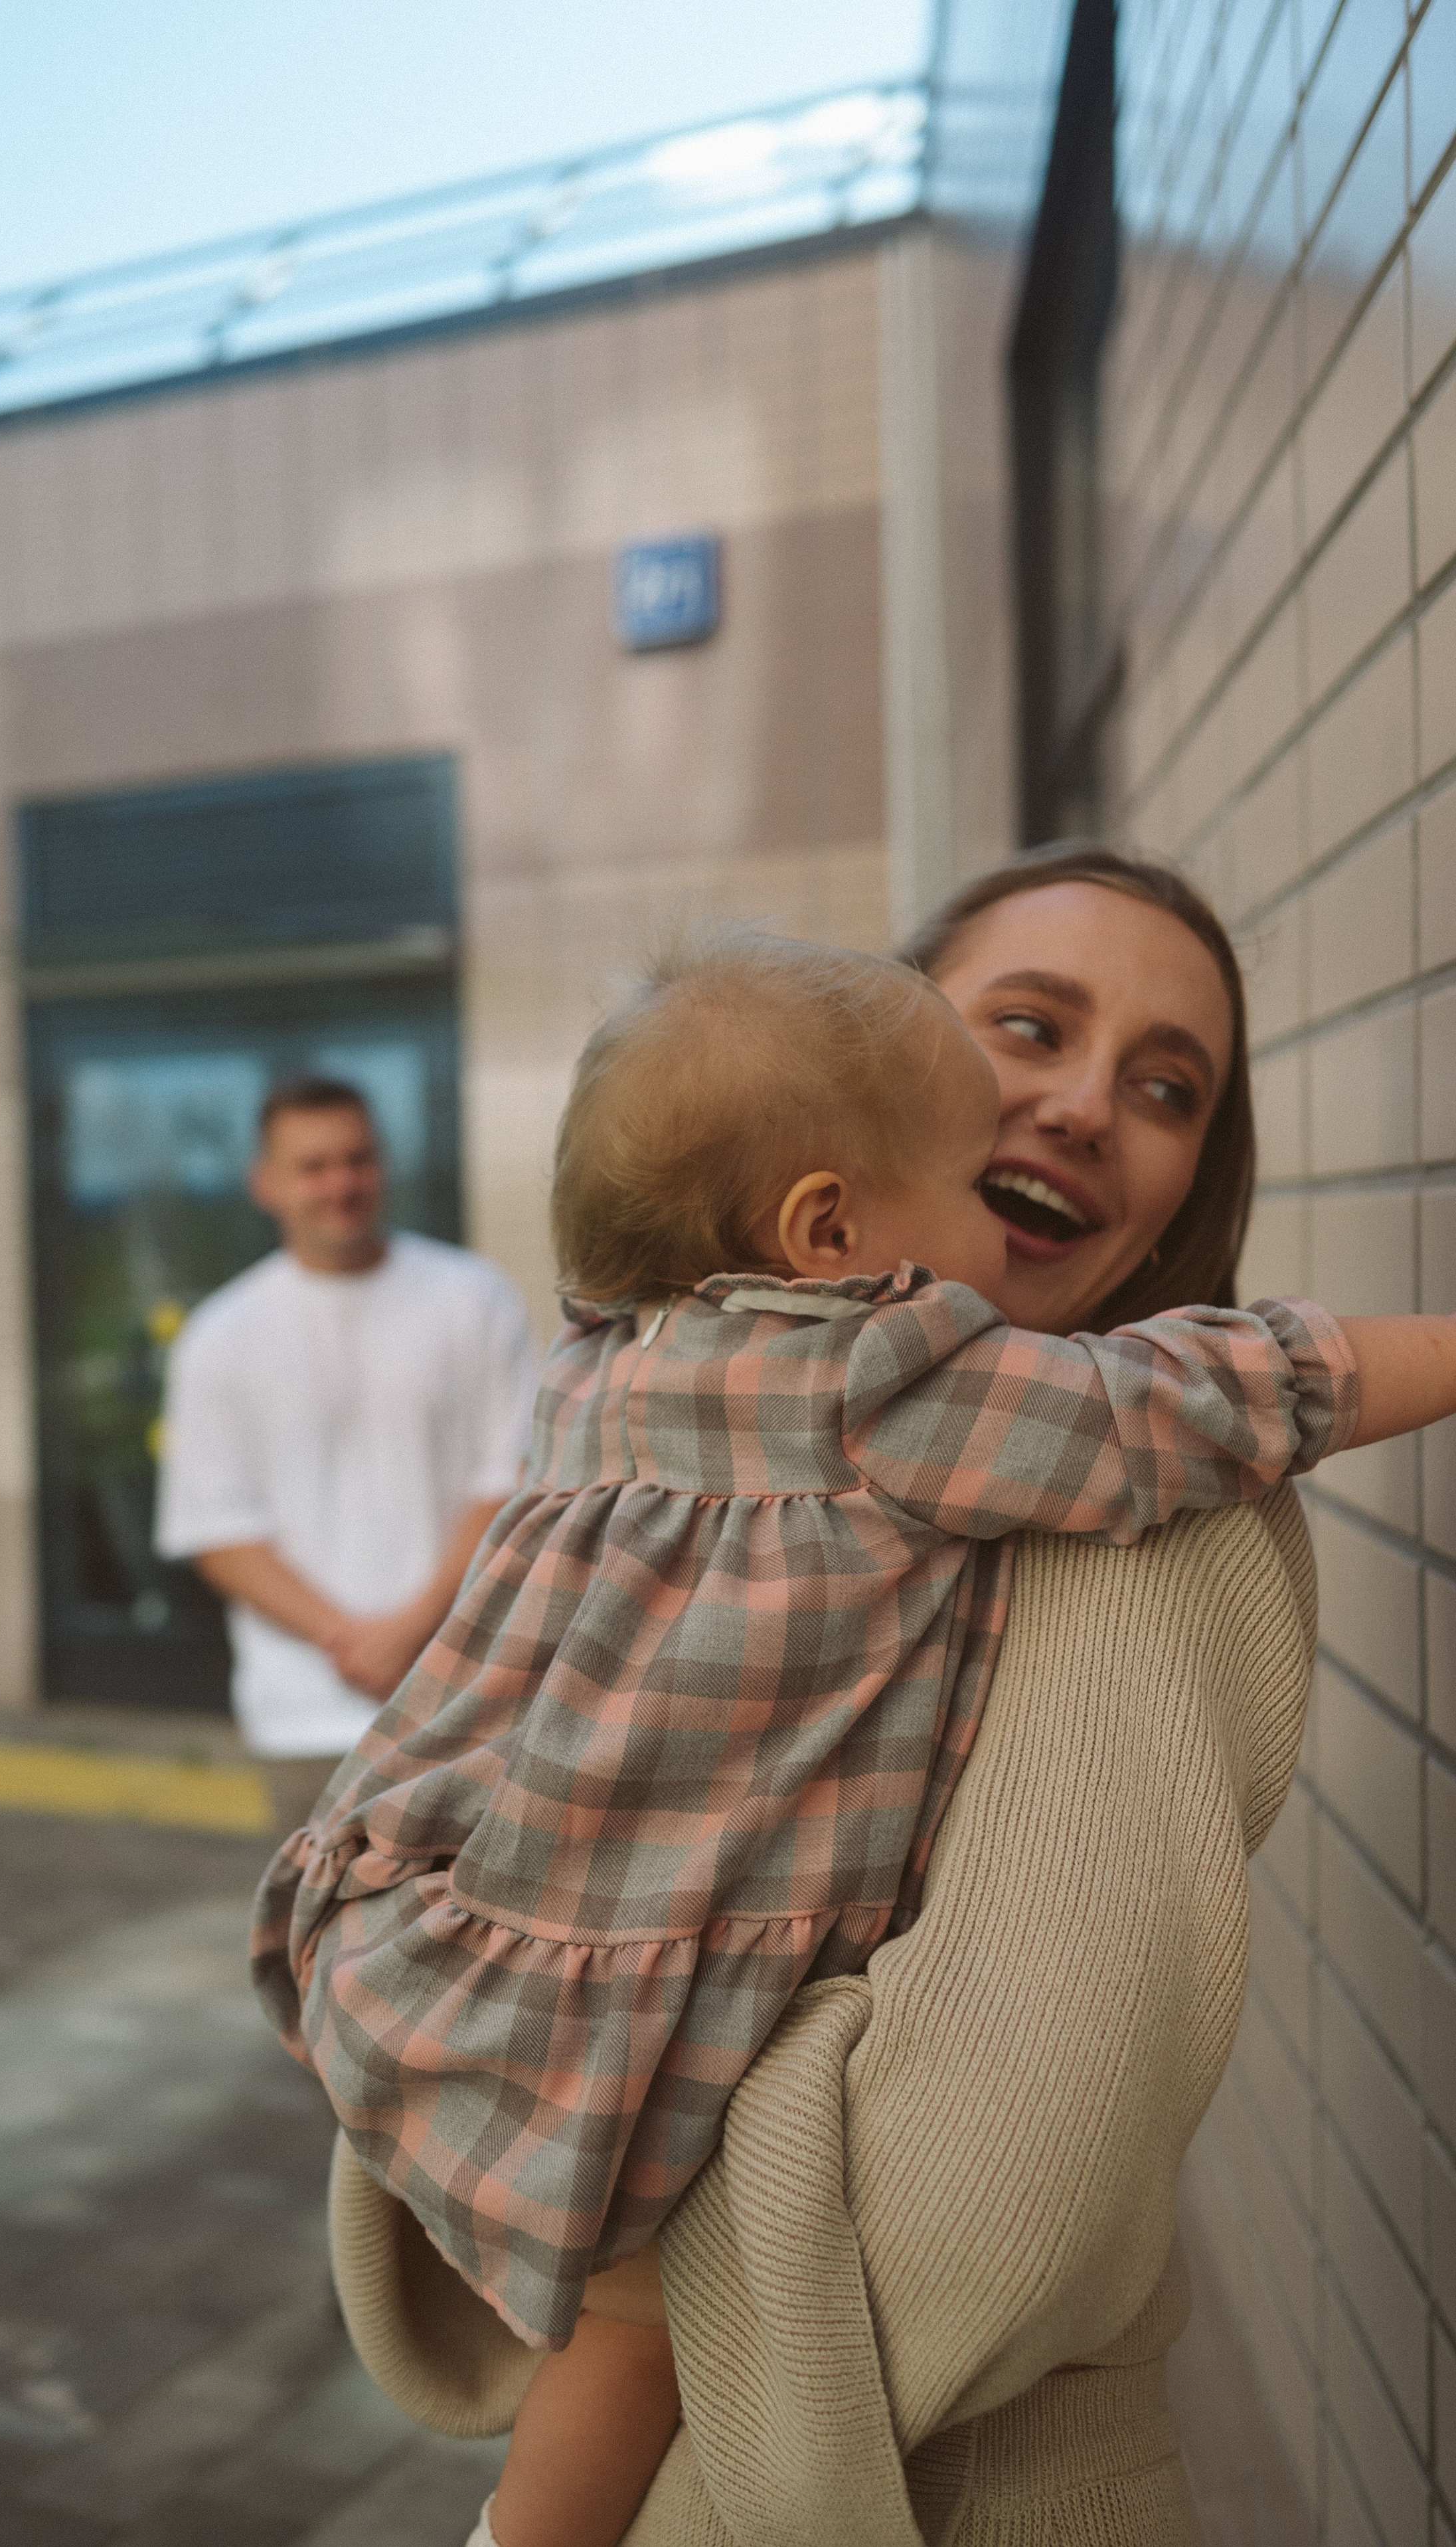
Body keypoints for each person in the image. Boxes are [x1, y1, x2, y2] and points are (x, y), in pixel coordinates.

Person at [252, 909, 1456, 2547]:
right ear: (828, 1226)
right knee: (619, 2326)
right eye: (1020, 1034)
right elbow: (1220, 1392)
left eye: (1165, 1084)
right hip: (808, 2403)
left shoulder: (600, 1364)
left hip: (435, 1927)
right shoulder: (894, 1377)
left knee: (601, 2321)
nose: (1078, 1108)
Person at [155, 1075, 539, 1835]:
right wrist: (350, 1639)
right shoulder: (221, 1336)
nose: (341, 1182)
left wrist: (409, 1633)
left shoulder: (475, 1298)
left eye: (358, 1159)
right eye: (314, 1165)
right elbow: (218, 1532)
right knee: (319, 1951)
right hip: (302, 1713)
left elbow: (514, 1482)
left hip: (462, 1702)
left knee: (468, 1945)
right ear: (265, 1183)